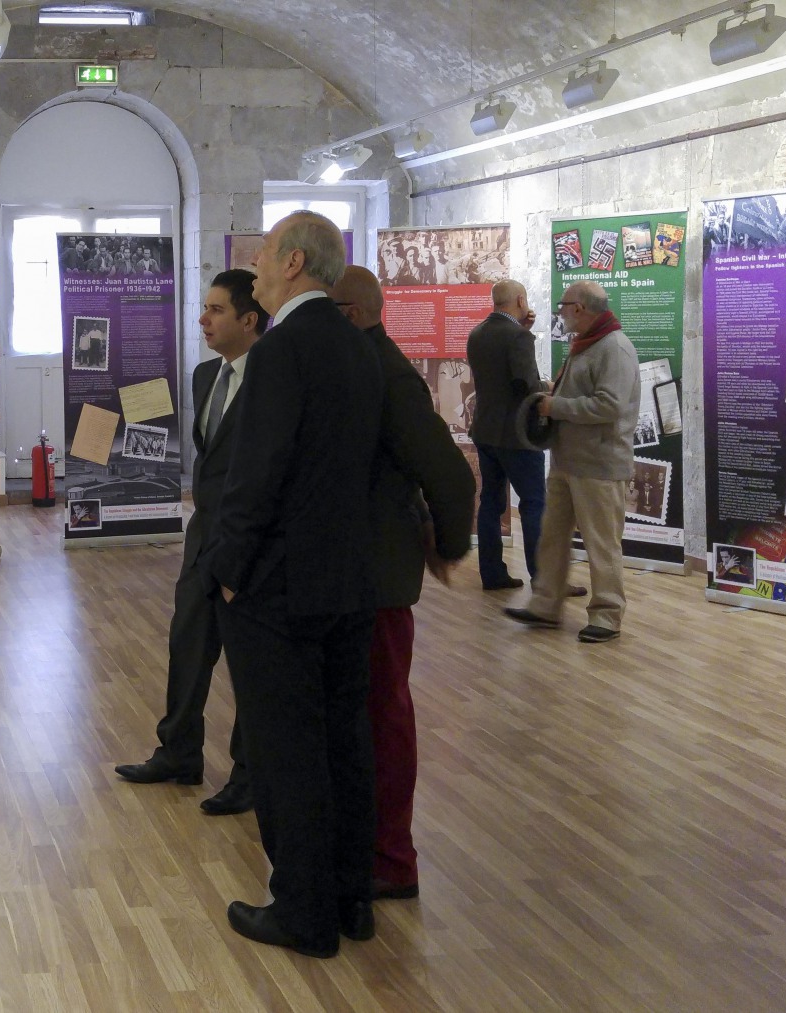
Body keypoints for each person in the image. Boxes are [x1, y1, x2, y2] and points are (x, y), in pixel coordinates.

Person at [204, 212, 384, 958]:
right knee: (345, 740)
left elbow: (257, 475)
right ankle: (350, 898)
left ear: (294, 264)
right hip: (348, 578)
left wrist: (228, 571)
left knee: (286, 752)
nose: (255, 266)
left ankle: (303, 912)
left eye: (265, 254)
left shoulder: (281, 351)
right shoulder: (360, 345)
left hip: (278, 586)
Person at [331, 266, 476, 901]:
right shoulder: (362, 367)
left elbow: (450, 475)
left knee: (383, 712)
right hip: (358, 569)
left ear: (351, 313)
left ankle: (391, 857)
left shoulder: (387, 376)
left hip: (377, 576)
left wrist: (448, 545)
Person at [114, 270, 268, 816]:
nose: (203, 319)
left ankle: (250, 775)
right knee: (187, 645)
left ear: (249, 320)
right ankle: (178, 752)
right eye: (205, 308)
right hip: (203, 535)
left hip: (249, 541)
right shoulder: (206, 375)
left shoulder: (274, 377)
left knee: (249, 663)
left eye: (216, 310)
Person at [506, 281, 640, 644]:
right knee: (552, 538)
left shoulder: (614, 348)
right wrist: (557, 392)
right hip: (568, 462)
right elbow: (588, 394)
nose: (560, 314)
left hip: (599, 465)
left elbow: (610, 405)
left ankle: (607, 616)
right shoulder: (587, 344)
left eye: (562, 306)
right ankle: (545, 605)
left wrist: (556, 406)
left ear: (578, 308)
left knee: (602, 545)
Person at [467, 280, 559, 593]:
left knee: (490, 503)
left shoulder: (477, 333)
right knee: (534, 504)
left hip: (485, 431)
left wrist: (523, 330)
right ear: (521, 300)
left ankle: (492, 573)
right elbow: (526, 386)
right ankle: (543, 579)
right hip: (516, 436)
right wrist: (549, 386)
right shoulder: (518, 336)